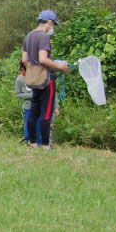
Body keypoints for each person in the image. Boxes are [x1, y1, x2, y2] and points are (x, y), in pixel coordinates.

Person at [21, 9, 70, 149]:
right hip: (46, 79)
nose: (52, 28)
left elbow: (24, 59)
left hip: (33, 79)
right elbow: (43, 59)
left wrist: (33, 69)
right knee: (46, 112)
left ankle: (33, 143)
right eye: (53, 24)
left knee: (34, 110)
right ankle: (46, 145)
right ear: (49, 22)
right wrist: (60, 66)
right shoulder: (44, 37)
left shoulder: (29, 36)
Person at [15, 62, 33, 143]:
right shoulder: (19, 80)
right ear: (22, 69)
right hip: (27, 106)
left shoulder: (32, 78)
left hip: (36, 105)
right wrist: (30, 95)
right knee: (27, 124)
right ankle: (28, 140)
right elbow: (18, 94)